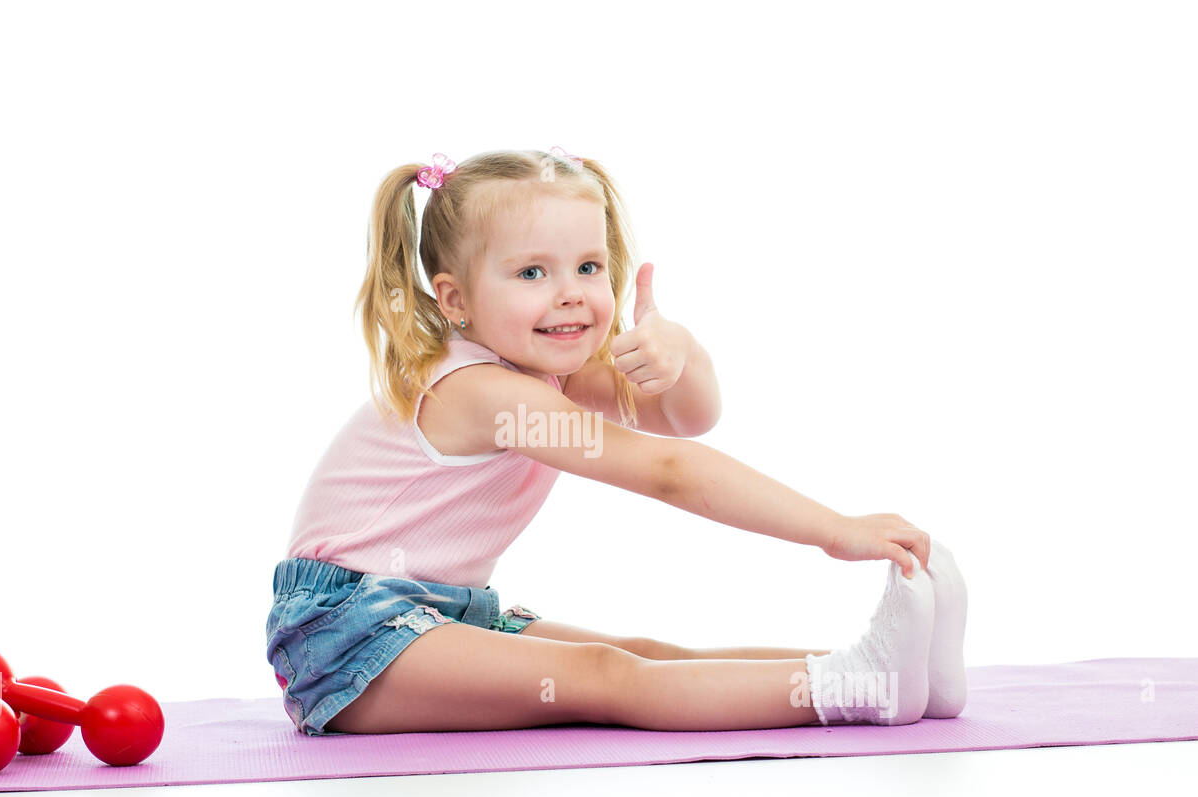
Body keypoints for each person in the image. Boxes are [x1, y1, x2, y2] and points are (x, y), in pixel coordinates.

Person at [265, 147, 968, 737]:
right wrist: (833, 530)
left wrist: (680, 352)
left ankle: (892, 673)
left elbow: (686, 417)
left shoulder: (550, 372)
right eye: (532, 273)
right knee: (605, 676)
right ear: (455, 300)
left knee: (645, 653)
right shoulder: (484, 393)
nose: (570, 293)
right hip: (342, 631)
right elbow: (666, 469)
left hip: (438, 612)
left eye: (588, 268)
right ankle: (854, 686)